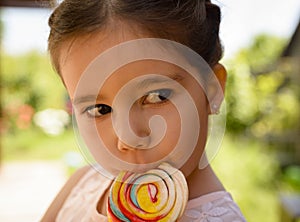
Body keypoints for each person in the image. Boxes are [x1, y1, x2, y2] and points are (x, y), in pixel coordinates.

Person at [41, 0, 246, 221]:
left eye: (157, 96)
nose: (128, 137)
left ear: (212, 89)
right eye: (100, 109)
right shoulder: (82, 183)